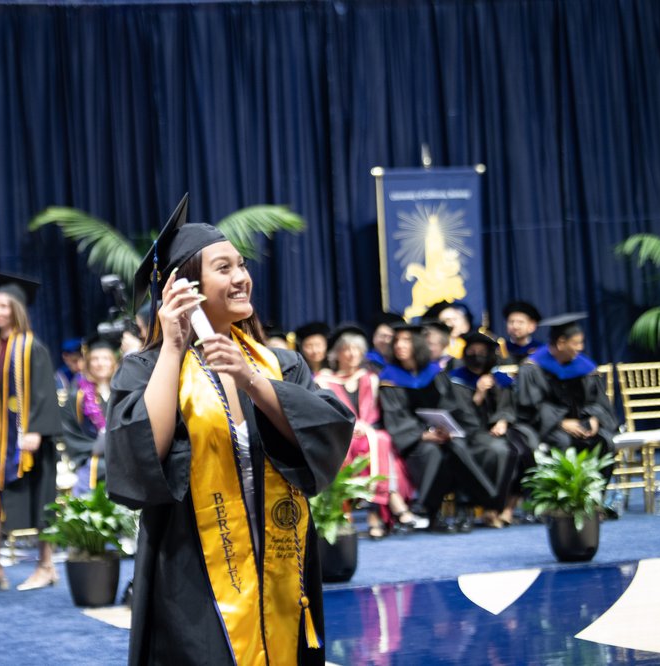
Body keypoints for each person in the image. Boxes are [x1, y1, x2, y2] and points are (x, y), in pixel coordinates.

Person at [106, 195, 354, 665]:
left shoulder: (275, 363)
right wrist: (174, 347)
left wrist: (253, 382)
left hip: (281, 556)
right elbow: (142, 453)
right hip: (194, 570)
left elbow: (327, 429)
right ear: (187, 287)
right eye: (225, 268)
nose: (242, 277)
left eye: (242, 265)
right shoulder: (145, 370)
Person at [0, 273, 62, 593]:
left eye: (3, 307)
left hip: (28, 442)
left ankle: (45, 566)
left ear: (17, 310)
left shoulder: (32, 347)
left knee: (40, 502)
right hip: (1, 442)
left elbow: (44, 392)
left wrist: (36, 431)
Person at [379, 323, 502, 531]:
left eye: (406, 340)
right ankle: (438, 509)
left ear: (418, 344)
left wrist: (447, 429)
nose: (400, 345)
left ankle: (460, 509)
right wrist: (424, 435)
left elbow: (452, 406)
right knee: (432, 453)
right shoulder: (389, 378)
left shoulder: (434, 372)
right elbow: (395, 416)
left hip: (443, 434)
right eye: (397, 341)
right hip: (416, 441)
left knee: (457, 447)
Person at [316, 324, 416, 538]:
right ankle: (390, 505)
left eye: (357, 350)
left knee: (380, 438)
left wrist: (364, 427)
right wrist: (350, 426)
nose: (352, 355)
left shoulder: (370, 378)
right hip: (340, 438)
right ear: (336, 354)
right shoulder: (323, 381)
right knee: (376, 442)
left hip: (369, 434)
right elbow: (324, 415)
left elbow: (377, 415)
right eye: (346, 349)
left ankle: (375, 513)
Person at [516, 313, 616, 468]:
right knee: (562, 442)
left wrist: (594, 418)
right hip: (550, 427)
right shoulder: (533, 368)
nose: (580, 348)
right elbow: (531, 407)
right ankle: (563, 492)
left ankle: (594, 492)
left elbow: (598, 401)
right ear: (561, 343)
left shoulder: (585, 367)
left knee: (604, 441)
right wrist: (561, 423)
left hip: (582, 424)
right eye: (576, 343)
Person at [449, 332, 528, 527]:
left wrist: (503, 420)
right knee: (502, 452)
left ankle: (508, 507)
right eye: (472, 351)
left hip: (502, 431)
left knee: (526, 450)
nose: (477, 356)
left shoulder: (500, 378)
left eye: (482, 352)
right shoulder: (456, 379)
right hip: (474, 434)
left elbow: (508, 407)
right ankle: (493, 508)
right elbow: (463, 417)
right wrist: (479, 393)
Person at [61, 336, 117, 496]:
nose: (100, 363)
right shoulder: (77, 395)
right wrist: (93, 448)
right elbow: (69, 430)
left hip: (123, 460)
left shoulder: (123, 390)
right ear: (88, 363)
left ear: (113, 361)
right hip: (93, 462)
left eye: (106, 358)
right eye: (95, 359)